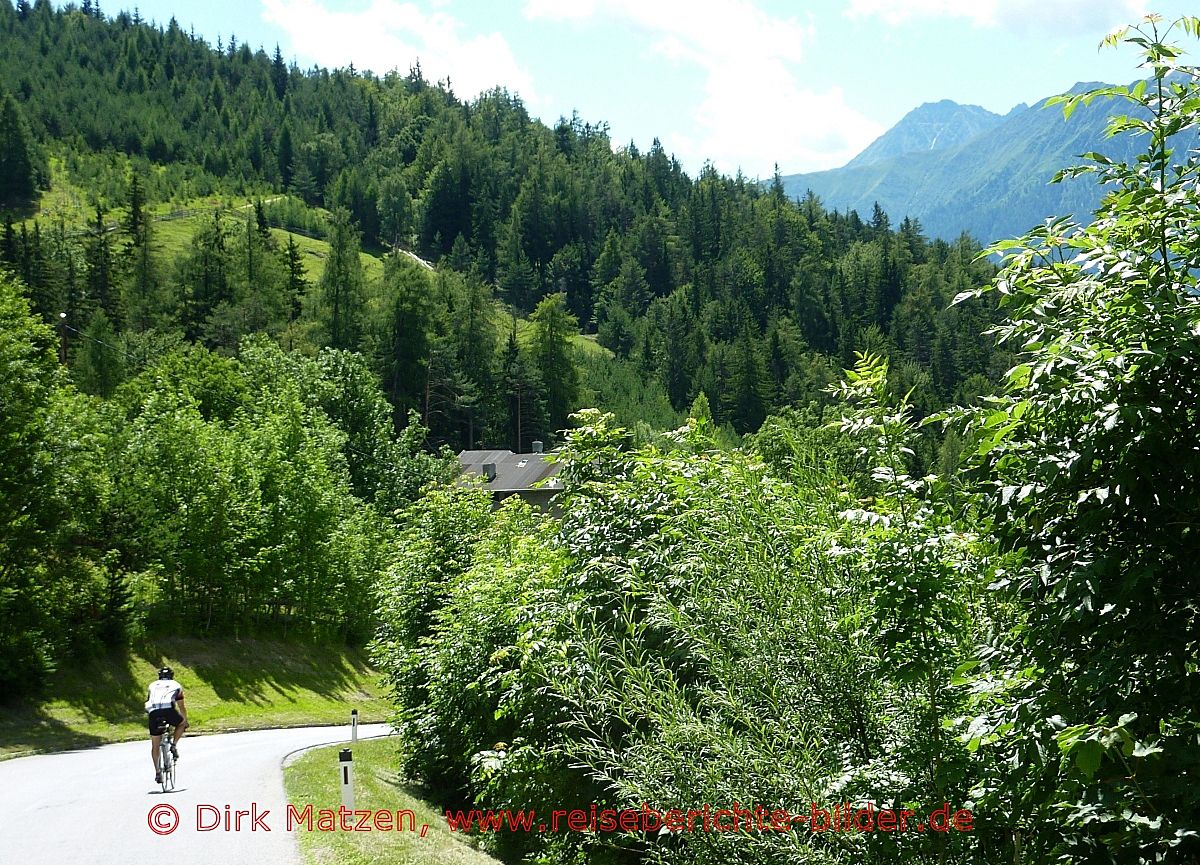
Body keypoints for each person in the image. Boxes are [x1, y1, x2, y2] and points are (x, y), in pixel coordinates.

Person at [145, 666, 188, 785]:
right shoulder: (176, 685)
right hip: (168, 710)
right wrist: (185, 719)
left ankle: (158, 772)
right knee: (181, 723)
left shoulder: (152, 685)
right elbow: (181, 706)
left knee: (155, 744)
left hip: (153, 712)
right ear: (171, 675)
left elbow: (148, 701)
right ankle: (174, 745)